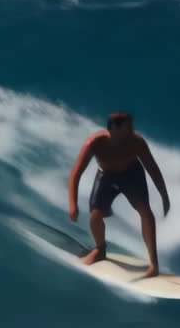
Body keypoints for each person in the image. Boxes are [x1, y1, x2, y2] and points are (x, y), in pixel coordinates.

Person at [67, 111, 170, 278]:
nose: (131, 131)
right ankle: (100, 249)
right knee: (95, 215)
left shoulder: (137, 142)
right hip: (106, 176)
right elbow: (76, 173)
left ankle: (154, 264)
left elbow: (152, 168)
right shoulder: (94, 143)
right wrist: (72, 203)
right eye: (127, 128)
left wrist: (164, 196)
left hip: (132, 174)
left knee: (145, 211)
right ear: (113, 128)